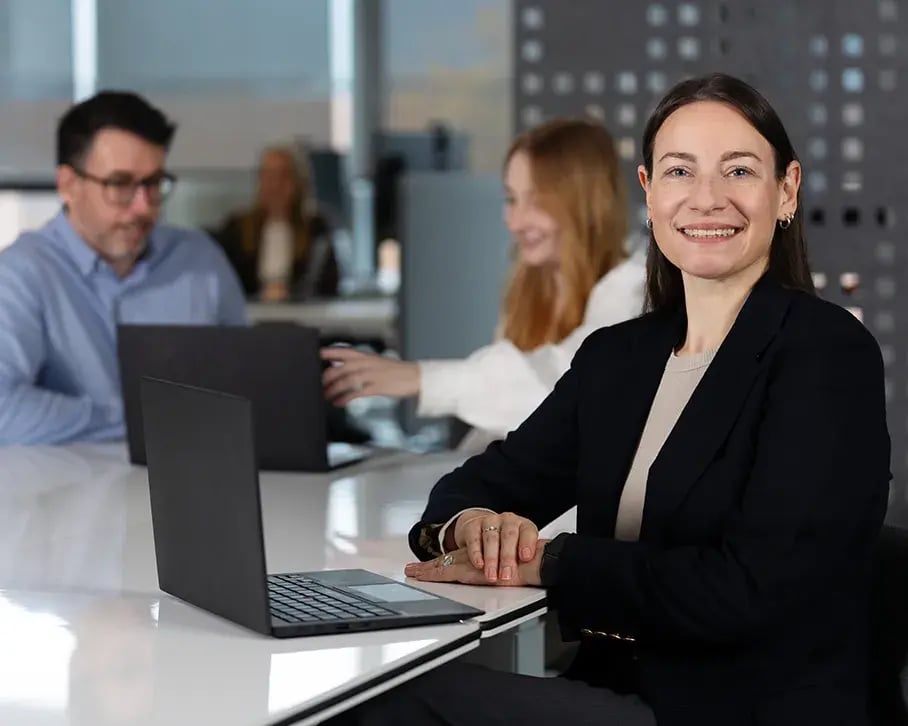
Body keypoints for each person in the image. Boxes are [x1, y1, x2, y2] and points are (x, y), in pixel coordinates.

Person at [335, 74, 891, 725]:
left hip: (738, 708)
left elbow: (746, 590)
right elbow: (479, 483)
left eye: (738, 171)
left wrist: (547, 562)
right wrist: (475, 528)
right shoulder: (620, 357)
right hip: (619, 689)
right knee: (376, 698)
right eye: (681, 172)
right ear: (650, 193)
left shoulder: (825, 354)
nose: (707, 199)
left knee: (384, 709)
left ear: (786, 190)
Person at [322, 118, 646, 443]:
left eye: (535, 202)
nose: (515, 221)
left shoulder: (634, 291)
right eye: (511, 199)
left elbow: (562, 387)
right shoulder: (532, 286)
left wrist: (422, 379)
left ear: (583, 204)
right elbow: (505, 418)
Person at [0, 91, 246, 445]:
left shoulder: (199, 261)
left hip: (197, 486)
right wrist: (141, 417)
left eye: (153, 183)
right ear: (68, 185)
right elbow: (4, 410)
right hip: (69, 493)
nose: (143, 208)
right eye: (120, 184)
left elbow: (247, 387)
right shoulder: (22, 274)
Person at [214, 145, 339, 302]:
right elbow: (223, 283)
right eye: (268, 176)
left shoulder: (315, 230)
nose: (275, 185)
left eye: (283, 177)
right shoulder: (236, 229)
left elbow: (327, 287)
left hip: (301, 318)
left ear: (297, 183)